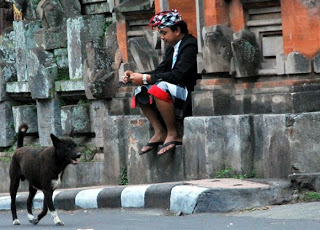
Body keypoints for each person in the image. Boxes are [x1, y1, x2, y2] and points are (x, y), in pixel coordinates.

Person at [122, 9, 199, 157]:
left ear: (177, 30)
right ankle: (160, 131)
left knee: (158, 87)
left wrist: (146, 78)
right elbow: (160, 71)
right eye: (160, 34)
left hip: (188, 92)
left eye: (164, 33)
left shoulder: (190, 45)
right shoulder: (172, 49)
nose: (162, 37)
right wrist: (137, 76)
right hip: (175, 89)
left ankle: (173, 133)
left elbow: (177, 75)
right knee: (141, 90)